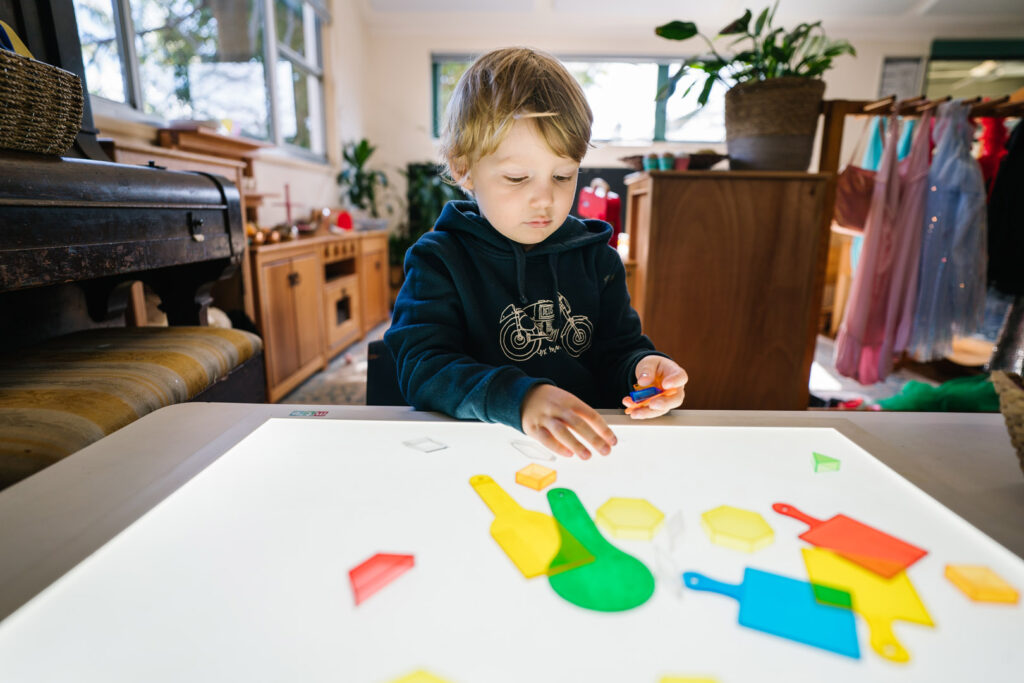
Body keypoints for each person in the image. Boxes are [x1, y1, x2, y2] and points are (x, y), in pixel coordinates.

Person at [384, 47, 687, 459]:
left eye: (562, 175)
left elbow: (618, 351)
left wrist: (643, 368)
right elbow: (424, 369)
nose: (544, 199)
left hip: (584, 452)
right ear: (463, 168)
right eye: (516, 177)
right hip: (473, 454)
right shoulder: (439, 260)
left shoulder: (598, 259)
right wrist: (521, 399)